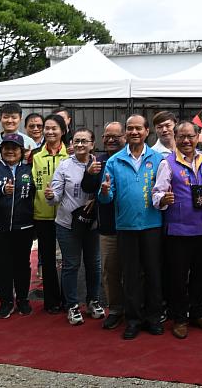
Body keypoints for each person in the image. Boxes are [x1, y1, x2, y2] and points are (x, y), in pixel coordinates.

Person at [98, 114, 165, 340]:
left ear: (147, 131)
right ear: (125, 133)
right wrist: (105, 192)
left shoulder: (158, 159)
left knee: (154, 274)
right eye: (130, 129)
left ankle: (154, 318)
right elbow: (106, 197)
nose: (134, 132)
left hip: (152, 225)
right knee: (131, 275)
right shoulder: (114, 161)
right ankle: (133, 319)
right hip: (125, 226)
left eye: (138, 128)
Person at [153, 120, 202, 339]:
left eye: (191, 136)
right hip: (178, 231)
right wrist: (164, 198)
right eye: (181, 136)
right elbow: (156, 193)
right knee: (178, 278)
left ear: (198, 135)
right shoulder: (167, 163)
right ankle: (179, 318)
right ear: (175, 138)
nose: (186, 140)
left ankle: (198, 313)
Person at [47, 128, 103, 326]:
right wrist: (50, 196)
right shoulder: (64, 166)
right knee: (71, 265)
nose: (80, 144)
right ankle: (71, 304)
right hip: (67, 223)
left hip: (92, 224)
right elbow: (55, 195)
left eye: (84, 141)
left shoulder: (100, 163)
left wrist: (96, 199)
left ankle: (94, 300)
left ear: (92, 143)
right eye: (76, 141)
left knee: (94, 265)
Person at [0, 133, 36, 318]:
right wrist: (1, 191)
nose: (10, 151)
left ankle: (22, 300)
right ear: (1, 150)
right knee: (0, 265)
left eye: (15, 148)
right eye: (7, 148)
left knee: (22, 264)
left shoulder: (29, 170)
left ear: (21, 151)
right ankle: (6, 301)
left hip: (23, 226)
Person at [82, 121, 126, 330]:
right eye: (107, 136)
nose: (110, 140)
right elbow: (87, 188)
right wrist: (90, 173)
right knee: (110, 270)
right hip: (108, 225)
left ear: (124, 137)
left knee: (137, 271)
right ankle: (116, 309)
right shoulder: (97, 161)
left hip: (135, 226)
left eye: (115, 136)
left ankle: (138, 308)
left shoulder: (132, 158)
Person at [31, 114, 69, 314]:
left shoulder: (71, 155)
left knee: (68, 260)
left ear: (63, 131)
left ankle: (69, 298)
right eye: (47, 128)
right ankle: (51, 301)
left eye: (54, 128)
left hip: (66, 216)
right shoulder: (35, 157)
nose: (50, 132)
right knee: (47, 259)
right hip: (42, 214)